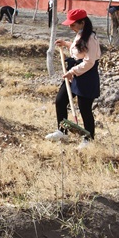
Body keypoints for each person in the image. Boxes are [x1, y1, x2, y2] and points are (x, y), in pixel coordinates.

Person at [46, 9, 100, 149]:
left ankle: (88, 139)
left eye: (73, 25)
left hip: (86, 75)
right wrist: (66, 44)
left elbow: (89, 61)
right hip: (73, 74)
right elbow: (78, 50)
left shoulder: (91, 38)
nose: (71, 27)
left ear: (82, 23)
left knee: (84, 108)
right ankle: (62, 131)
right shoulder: (80, 35)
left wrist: (73, 71)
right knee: (60, 101)